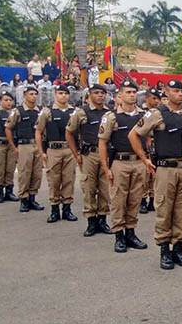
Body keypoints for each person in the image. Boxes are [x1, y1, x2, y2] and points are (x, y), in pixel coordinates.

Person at [130, 79, 182, 270]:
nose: (179, 94)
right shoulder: (156, 114)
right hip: (165, 168)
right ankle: (164, 249)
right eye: (175, 91)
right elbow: (134, 134)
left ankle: (178, 247)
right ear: (166, 93)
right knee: (164, 208)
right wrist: (145, 159)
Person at [99, 80, 148, 253]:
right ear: (119, 95)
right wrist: (106, 167)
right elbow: (103, 142)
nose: (132, 95)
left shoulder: (143, 115)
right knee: (119, 199)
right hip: (119, 162)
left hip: (138, 162)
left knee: (135, 199)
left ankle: (131, 233)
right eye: (127, 92)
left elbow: (148, 138)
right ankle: (119, 235)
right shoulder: (111, 117)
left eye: (134, 92)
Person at [66, 84, 112, 236]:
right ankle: (91, 221)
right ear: (90, 95)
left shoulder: (108, 113)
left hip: (105, 154)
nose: (100, 96)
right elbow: (69, 133)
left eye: (103, 93)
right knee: (89, 187)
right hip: (89, 154)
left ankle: (102, 220)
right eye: (97, 93)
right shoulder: (81, 112)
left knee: (105, 188)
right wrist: (76, 154)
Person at [35, 84, 78, 223]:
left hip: (69, 149)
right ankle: (54, 210)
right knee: (54, 180)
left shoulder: (74, 111)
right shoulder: (47, 112)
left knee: (68, 179)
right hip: (53, 149)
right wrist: (41, 151)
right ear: (55, 95)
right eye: (60, 93)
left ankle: (67, 209)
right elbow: (38, 131)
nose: (63, 96)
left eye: (65, 93)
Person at [5, 85, 44, 212]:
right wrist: (13, 146)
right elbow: (8, 128)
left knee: (37, 173)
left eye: (35, 94)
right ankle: (23, 199)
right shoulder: (18, 111)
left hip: (37, 145)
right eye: (31, 94)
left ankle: (32, 198)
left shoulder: (40, 111)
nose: (33, 96)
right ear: (25, 95)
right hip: (24, 145)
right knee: (24, 173)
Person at [139, 88, 161, 214]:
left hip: (157, 143)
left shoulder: (160, 112)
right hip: (145, 145)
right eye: (153, 98)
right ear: (146, 98)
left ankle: (152, 200)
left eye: (157, 98)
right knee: (145, 175)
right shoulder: (141, 112)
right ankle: (143, 200)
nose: (156, 101)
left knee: (154, 175)